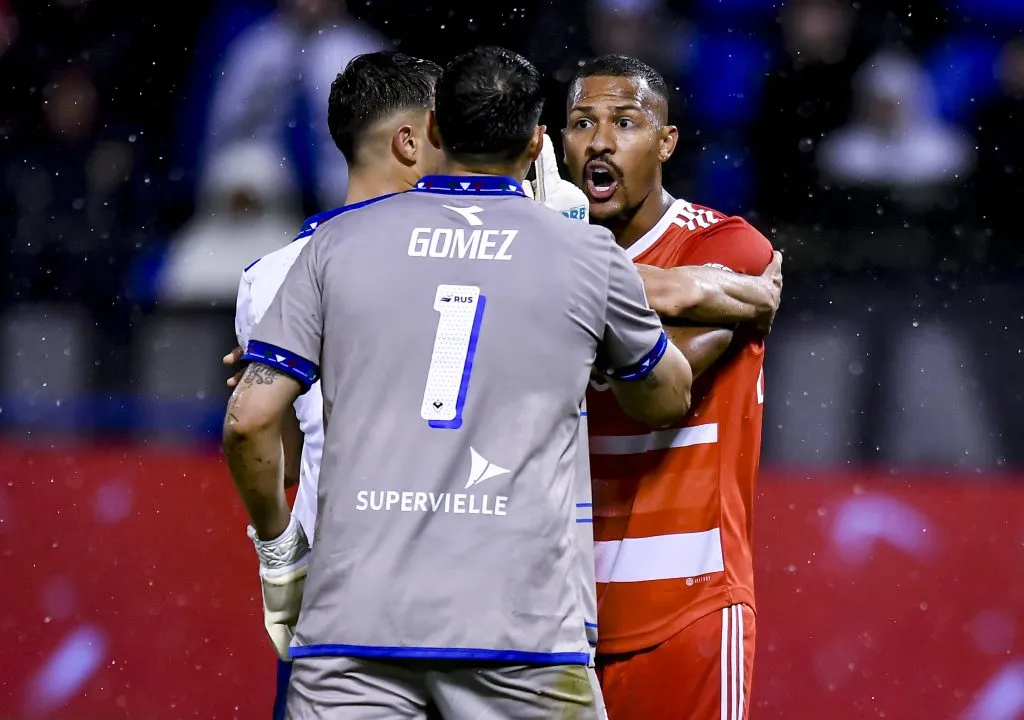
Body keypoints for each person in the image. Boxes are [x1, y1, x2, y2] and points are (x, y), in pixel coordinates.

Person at [222, 46, 695, 719]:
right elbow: (664, 396)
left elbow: (250, 421)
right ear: (538, 143)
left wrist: (281, 558)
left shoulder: (333, 248)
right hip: (520, 628)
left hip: (355, 624)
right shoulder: (582, 254)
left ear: (435, 131)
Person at [229, 51, 444, 720]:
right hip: (465, 595)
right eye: (449, 132)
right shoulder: (488, 256)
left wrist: (279, 549)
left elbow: (269, 438)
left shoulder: (268, 277)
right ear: (410, 141)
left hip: (334, 599)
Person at [561, 54, 776, 719]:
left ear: (666, 141)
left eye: (626, 121)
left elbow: (657, 390)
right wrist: (657, 289)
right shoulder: (544, 253)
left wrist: (561, 280)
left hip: (685, 607)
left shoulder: (727, 249)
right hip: (553, 615)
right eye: (580, 123)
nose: (599, 140)